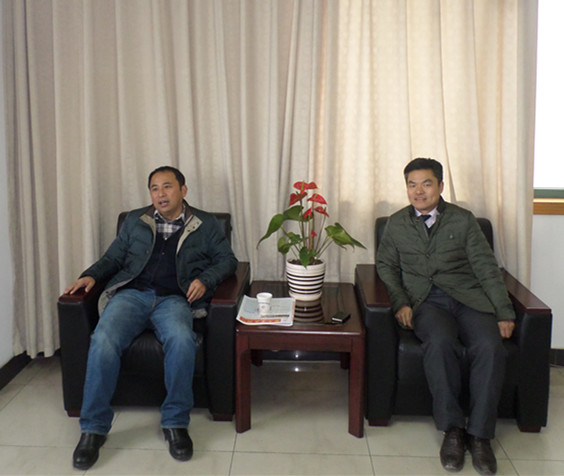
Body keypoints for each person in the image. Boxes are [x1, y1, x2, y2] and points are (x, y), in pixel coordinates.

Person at [64, 166, 238, 470]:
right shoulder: (136, 220)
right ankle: (93, 429)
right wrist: (90, 275)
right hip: (132, 296)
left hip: (174, 299)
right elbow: (113, 258)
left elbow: (228, 260)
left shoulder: (205, 224)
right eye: (154, 188)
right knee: (103, 340)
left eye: (167, 186)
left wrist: (206, 280)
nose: (160, 194)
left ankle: (175, 423)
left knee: (182, 340)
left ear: (183, 190)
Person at [376, 158, 515, 476]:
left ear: (440, 186)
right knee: (438, 343)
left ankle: (480, 435)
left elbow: (486, 268)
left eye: (426, 184)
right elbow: (386, 266)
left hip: (469, 299)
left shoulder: (463, 220)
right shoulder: (396, 224)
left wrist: (504, 311)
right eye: (412, 185)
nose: (418, 191)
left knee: (489, 346)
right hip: (426, 303)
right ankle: (452, 430)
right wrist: (400, 302)